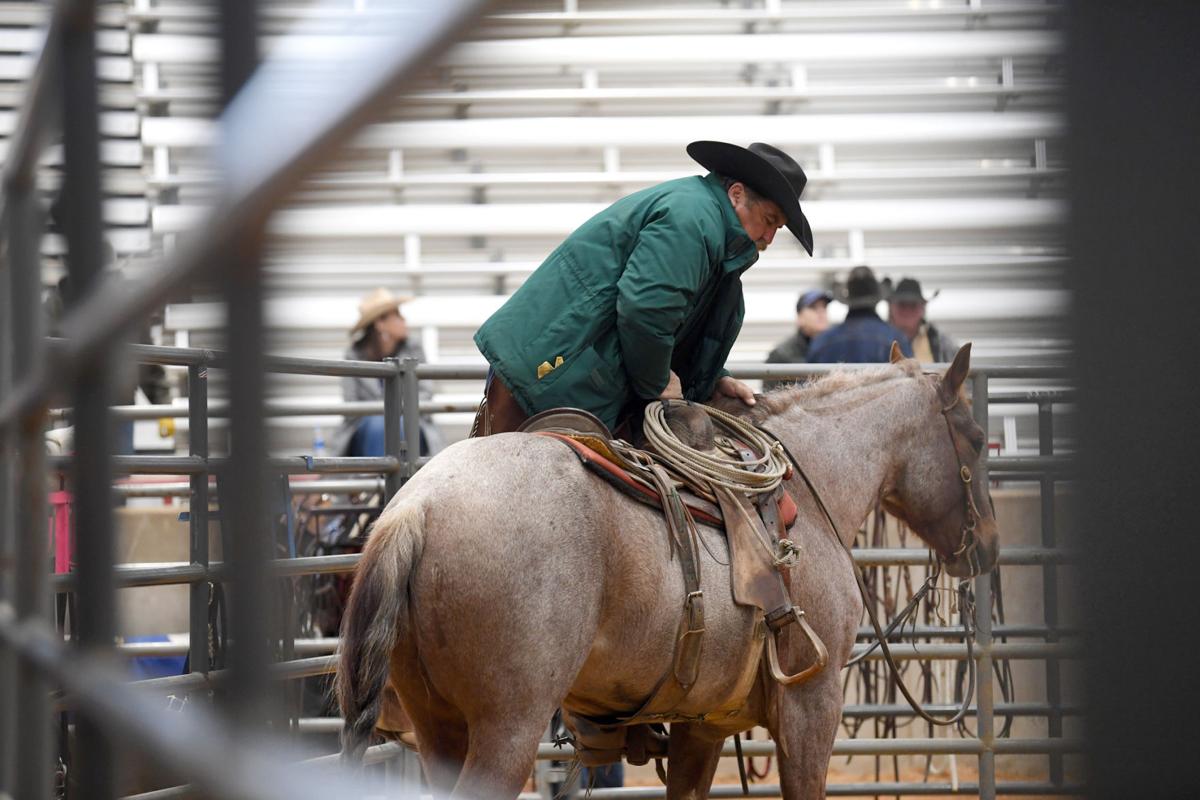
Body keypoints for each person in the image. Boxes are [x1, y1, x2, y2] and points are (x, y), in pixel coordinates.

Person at [471, 140, 814, 436]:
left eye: (777, 228)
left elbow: (672, 319)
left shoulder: (700, 217)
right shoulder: (692, 220)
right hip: (550, 376)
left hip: (557, 370)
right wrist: (659, 381)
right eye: (769, 221)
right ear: (736, 194)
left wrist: (712, 379)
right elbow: (646, 311)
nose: (769, 237)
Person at [331, 288, 442, 458]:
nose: (404, 320)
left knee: (398, 426)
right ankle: (390, 482)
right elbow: (351, 406)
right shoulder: (353, 354)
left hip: (410, 423)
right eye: (397, 315)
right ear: (380, 323)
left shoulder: (414, 348)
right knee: (380, 427)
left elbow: (425, 393)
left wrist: (390, 413)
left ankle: (386, 482)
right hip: (366, 429)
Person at [808, 266, 913, 364]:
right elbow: (912, 379)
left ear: (848, 300)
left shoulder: (822, 342)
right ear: (876, 299)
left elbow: (807, 381)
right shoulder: (896, 340)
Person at [763, 287, 832, 391]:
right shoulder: (781, 354)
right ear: (799, 317)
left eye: (824, 307)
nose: (821, 312)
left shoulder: (837, 347)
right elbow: (770, 397)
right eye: (813, 307)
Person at [886, 276, 959, 363]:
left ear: (923, 308)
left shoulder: (940, 341)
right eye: (902, 304)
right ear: (891, 307)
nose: (907, 310)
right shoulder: (876, 338)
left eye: (913, 305)